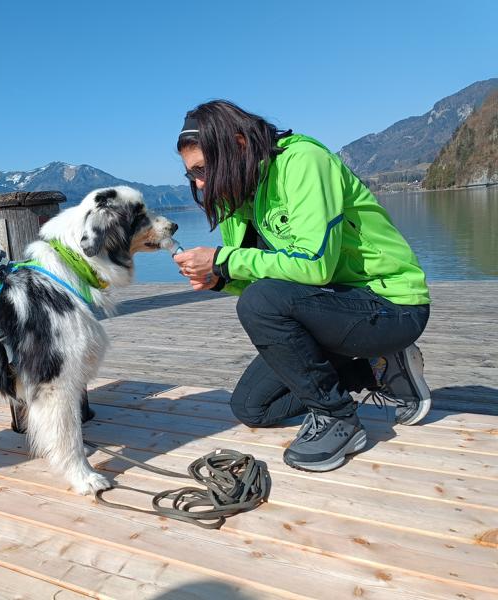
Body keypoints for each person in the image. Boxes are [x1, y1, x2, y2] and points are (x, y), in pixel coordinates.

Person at [173, 100, 431, 472]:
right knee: (253, 407)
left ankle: (338, 419)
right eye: (191, 175)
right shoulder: (237, 198)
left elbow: (315, 266)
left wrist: (223, 260)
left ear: (238, 146)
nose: (199, 183)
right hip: (333, 309)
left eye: (202, 169)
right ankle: (376, 368)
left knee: (260, 301)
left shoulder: (303, 162)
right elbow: (267, 285)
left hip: (392, 305)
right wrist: (220, 278)